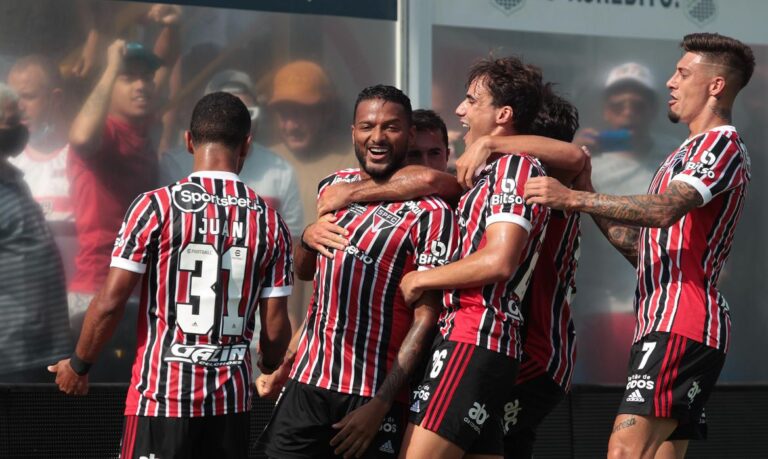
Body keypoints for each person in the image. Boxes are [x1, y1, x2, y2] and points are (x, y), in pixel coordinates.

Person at [523, 33, 755, 458]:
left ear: (715, 85)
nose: (671, 81)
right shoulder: (683, 152)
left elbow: (664, 209)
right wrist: (587, 192)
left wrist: (572, 198)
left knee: (624, 450)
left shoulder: (721, 143)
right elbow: (644, 250)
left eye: (682, 73)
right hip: (666, 321)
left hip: (683, 322)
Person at [49, 92, 293, 459]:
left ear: (189, 140)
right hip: (231, 405)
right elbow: (274, 329)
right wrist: (271, 368)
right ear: (246, 144)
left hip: (162, 400)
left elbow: (111, 301)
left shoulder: (155, 207)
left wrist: (79, 364)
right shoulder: (270, 221)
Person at [257, 85, 458, 459]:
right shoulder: (334, 186)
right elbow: (306, 274)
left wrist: (382, 404)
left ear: (409, 133)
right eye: (367, 126)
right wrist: (306, 238)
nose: (377, 138)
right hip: (306, 387)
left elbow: (426, 317)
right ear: (353, 132)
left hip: (370, 399)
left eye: (391, 128)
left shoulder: (434, 213)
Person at [398, 57, 550, 459]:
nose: (460, 110)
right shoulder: (492, 169)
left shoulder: (514, 167)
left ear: (503, 115)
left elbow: (499, 260)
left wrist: (421, 279)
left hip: (475, 335)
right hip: (470, 337)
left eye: (471, 100)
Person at [573, 62, 682, 383]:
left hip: (666, 301)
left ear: (652, 110)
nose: (628, 113)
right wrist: (572, 156)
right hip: (606, 305)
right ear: (606, 111)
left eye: (638, 104)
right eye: (618, 105)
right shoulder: (588, 161)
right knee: (609, 405)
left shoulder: (674, 157)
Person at [66, 37, 176, 349]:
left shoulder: (142, 129)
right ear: (108, 83)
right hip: (96, 291)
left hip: (139, 292)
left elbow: (166, 67)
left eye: (146, 78)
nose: (141, 86)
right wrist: (112, 63)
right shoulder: (105, 134)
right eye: (128, 79)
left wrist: (171, 26)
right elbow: (80, 137)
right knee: (92, 395)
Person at [0, 84, 71, 383]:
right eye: (10, 121)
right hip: (8, 355)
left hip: (37, 350)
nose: (20, 128)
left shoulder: (13, 178)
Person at [7, 55, 78, 279]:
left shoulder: (83, 158)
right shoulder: (5, 163)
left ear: (55, 99)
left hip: (75, 297)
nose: (19, 107)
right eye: (13, 98)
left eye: (28, 97)